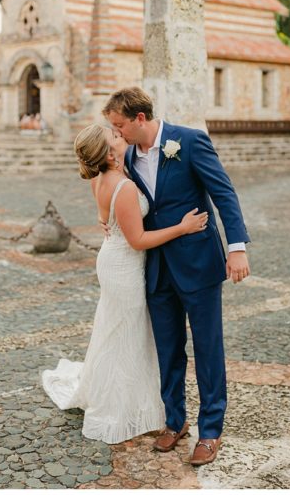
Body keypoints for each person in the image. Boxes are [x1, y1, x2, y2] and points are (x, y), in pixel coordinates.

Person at [104, 86, 251, 465]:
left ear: (140, 118)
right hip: (156, 268)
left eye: (120, 126)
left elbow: (224, 193)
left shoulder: (188, 141)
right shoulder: (129, 159)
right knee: (168, 350)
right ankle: (174, 421)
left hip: (199, 264)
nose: (116, 133)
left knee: (207, 349)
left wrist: (237, 247)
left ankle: (211, 430)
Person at [43, 124, 208, 443]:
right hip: (125, 266)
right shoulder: (125, 187)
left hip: (111, 258)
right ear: (108, 153)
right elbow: (138, 239)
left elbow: (109, 218)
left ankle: (120, 393)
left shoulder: (99, 179)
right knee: (129, 332)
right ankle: (122, 406)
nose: (120, 137)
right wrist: (183, 227)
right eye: (114, 137)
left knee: (116, 328)